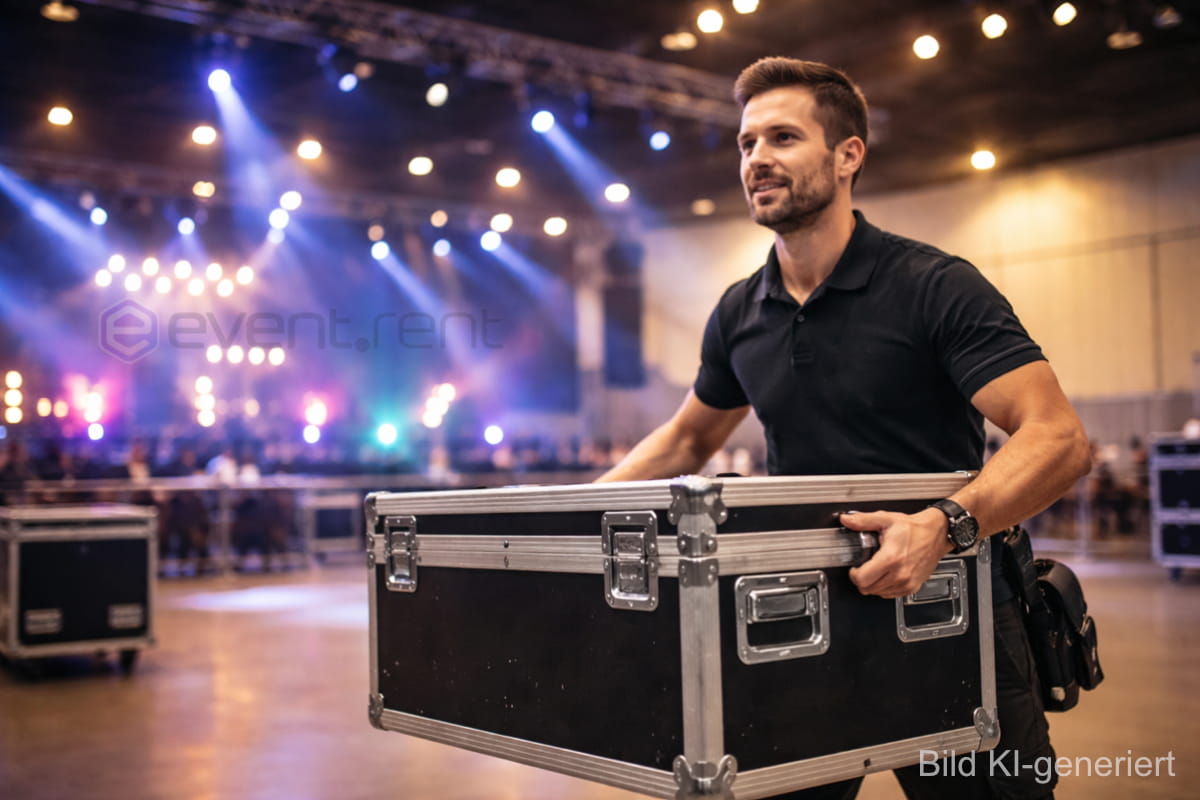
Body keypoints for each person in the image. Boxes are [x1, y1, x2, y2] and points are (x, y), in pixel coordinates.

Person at [598, 57, 1092, 799]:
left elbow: (1058, 438)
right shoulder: (740, 311)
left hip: (945, 612)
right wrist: (562, 509)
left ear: (847, 155)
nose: (756, 158)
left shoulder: (933, 286)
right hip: (796, 621)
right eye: (746, 143)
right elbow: (686, 439)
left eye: (783, 137)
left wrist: (944, 526)